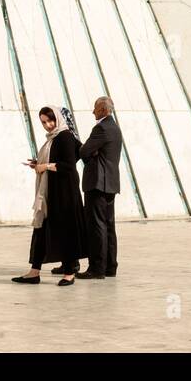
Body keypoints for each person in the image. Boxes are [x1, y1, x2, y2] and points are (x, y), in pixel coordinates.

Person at [13, 106, 87, 286]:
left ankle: (69, 273)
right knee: (41, 229)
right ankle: (34, 272)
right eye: (44, 122)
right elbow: (57, 160)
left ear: (58, 119)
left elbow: (68, 165)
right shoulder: (53, 138)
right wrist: (39, 164)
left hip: (64, 193)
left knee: (65, 230)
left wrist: (44, 167)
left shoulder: (65, 137)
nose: (48, 125)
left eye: (50, 120)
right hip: (50, 191)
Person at [78, 94, 122, 279]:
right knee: (109, 225)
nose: (93, 111)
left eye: (95, 108)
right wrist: (92, 153)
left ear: (103, 110)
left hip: (97, 183)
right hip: (110, 183)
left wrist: (91, 153)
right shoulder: (115, 128)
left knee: (96, 226)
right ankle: (110, 267)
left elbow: (83, 151)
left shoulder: (101, 128)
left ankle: (96, 268)